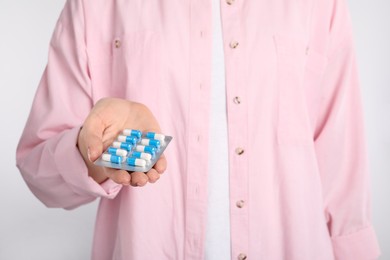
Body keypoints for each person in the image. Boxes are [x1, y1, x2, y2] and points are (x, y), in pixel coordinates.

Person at [16, 0, 381, 259]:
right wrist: (99, 153)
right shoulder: (97, 5)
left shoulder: (319, 4)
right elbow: (39, 168)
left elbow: (340, 161)